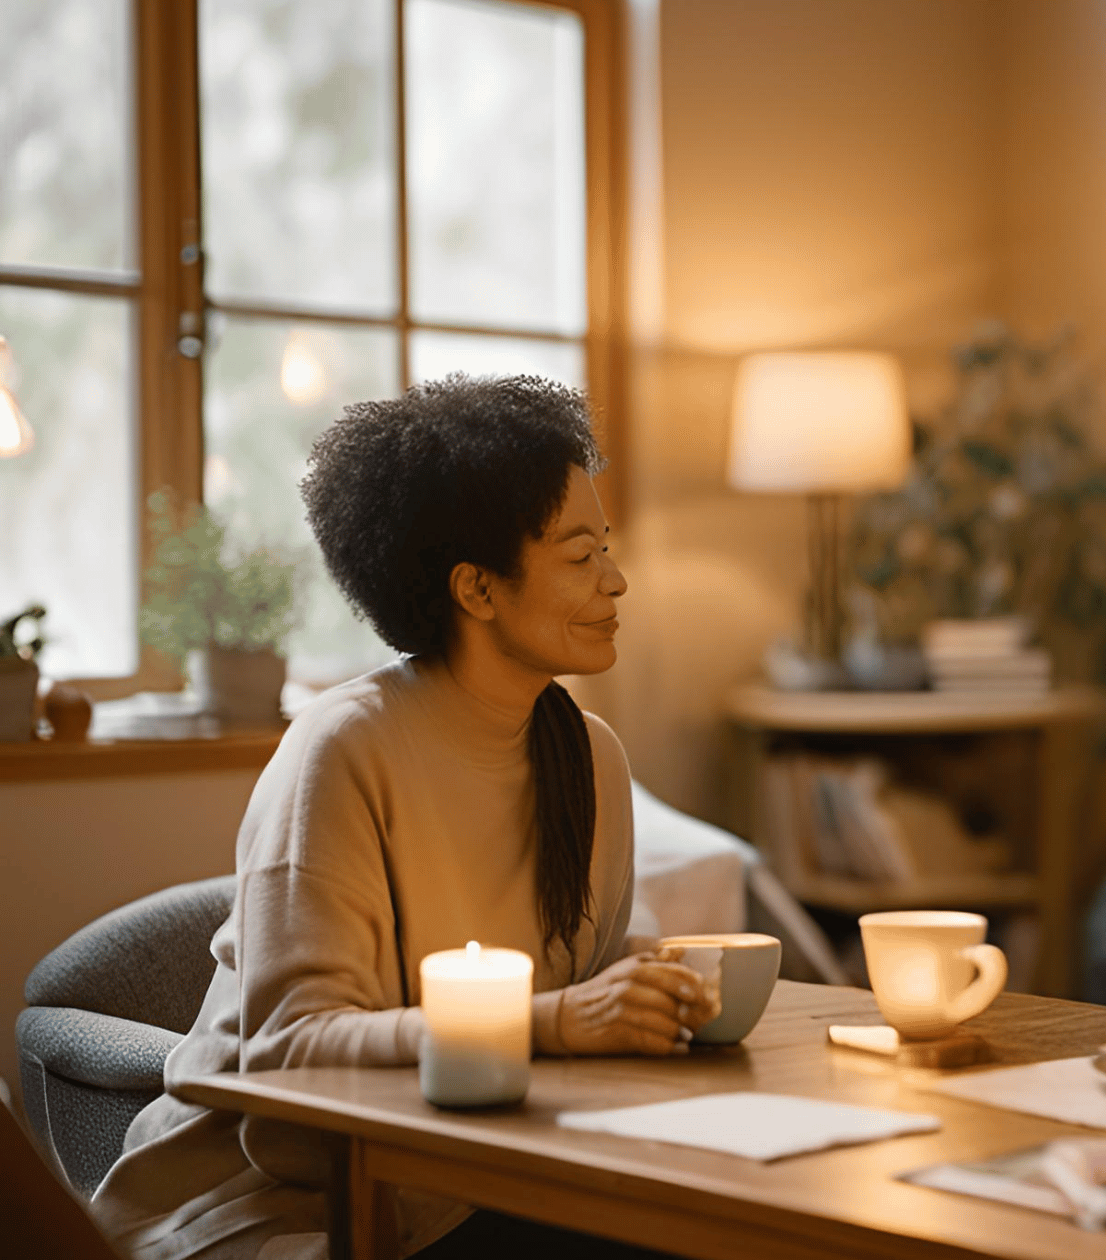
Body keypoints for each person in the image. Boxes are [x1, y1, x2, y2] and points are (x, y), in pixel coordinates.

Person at [92, 376, 716, 1259]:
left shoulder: (591, 758)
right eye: (580, 557)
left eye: (605, 548)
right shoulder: (341, 751)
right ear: (477, 588)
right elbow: (291, 1055)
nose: (615, 580)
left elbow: (590, 991)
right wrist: (561, 1021)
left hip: (489, 1174)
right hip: (273, 1206)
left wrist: (654, 996)